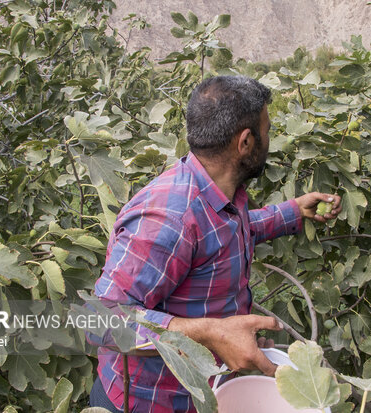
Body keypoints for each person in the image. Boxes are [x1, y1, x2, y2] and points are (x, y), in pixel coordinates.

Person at [89, 75, 342, 412]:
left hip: (198, 394)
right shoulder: (168, 218)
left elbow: (222, 234)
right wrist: (213, 333)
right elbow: (98, 322)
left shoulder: (218, 192)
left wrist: (293, 211)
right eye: (267, 131)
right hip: (148, 403)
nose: (270, 138)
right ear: (246, 142)